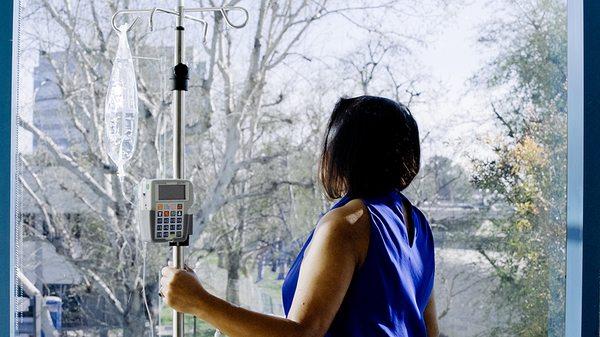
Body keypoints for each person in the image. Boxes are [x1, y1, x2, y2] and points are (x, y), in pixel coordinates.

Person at [160, 95, 439, 337]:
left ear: (343, 151)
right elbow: (428, 331)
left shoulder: (347, 224)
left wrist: (198, 302)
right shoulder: (416, 222)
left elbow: (303, 333)